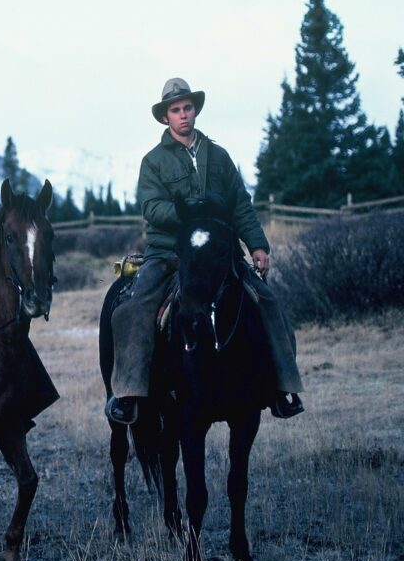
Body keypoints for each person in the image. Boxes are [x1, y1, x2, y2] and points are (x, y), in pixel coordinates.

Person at [105, 78, 305, 425]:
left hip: (218, 254)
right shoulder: (153, 162)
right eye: (175, 110)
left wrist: (257, 245)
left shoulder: (220, 157)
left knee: (268, 301)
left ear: (194, 110)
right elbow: (151, 207)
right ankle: (130, 394)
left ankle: (281, 388)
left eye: (187, 108)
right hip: (169, 252)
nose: (183, 115)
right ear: (166, 117)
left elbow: (241, 204)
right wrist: (187, 212)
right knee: (134, 309)